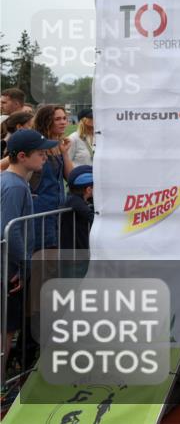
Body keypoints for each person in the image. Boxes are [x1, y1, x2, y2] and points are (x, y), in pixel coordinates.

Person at [1, 130, 55, 359]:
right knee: (6, 331)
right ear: (22, 156)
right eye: (40, 153)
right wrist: (24, 265)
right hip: (9, 270)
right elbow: (9, 230)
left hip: (9, 267)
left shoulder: (11, 182)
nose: (45, 157)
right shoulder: (15, 186)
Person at [29, 105, 74, 250]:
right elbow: (7, 163)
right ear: (46, 121)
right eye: (57, 119)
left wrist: (65, 153)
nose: (63, 122)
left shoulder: (59, 145)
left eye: (64, 118)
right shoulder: (35, 144)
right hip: (40, 211)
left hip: (58, 210)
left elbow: (71, 178)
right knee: (43, 254)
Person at [59, 165, 96, 277]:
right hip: (73, 255)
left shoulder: (79, 199)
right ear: (89, 190)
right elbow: (91, 217)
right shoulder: (74, 201)